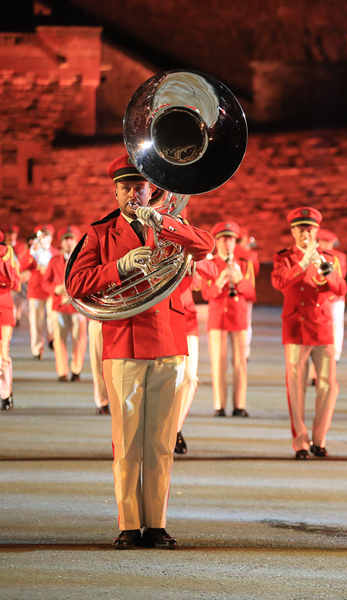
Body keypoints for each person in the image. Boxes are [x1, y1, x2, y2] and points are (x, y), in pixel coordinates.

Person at [66, 153, 214, 549]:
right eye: (126, 187)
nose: (133, 193)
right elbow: (77, 283)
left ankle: (157, 523)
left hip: (169, 339)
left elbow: (206, 246)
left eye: (140, 187)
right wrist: (120, 267)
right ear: (115, 191)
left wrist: (162, 221)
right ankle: (130, 524)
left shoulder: (168, 226)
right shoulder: (101, 233)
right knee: (128, 439)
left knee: (162, 440)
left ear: (152, 189)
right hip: (124, 342)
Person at [271, 207, 347, 459]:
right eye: (301, 230)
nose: (306, 234)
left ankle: (319, 437)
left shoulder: (328, 257)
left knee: (328, 386)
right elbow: (280, 283)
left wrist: (329, 272)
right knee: (296, 387)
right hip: (296, 326)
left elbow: (341, 289)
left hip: (322, 326)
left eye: (310, 230)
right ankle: (301, 442)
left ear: (317, 232)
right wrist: (302, 264)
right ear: (293, 232)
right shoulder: (284, 258)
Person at [201, 221, 256, 418]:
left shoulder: (244, 264)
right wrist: (221, 279)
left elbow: (251, 293)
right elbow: (206, 293)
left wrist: (240, 280)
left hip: (239, 316)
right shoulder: (211, 263)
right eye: (224, 240)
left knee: (240, 362)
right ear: (217, 241)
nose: (228, 244)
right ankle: (220, 405)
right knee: (219, 362)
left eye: (231, 239)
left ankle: (239, 405)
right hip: (218, 318)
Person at [46, 226, 87, 383]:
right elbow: (45, 282)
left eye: (71, 239)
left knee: (79, 339)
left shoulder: (83, 259)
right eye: (65, 239)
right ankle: (62, 371)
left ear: (77, 241)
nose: (69, 242)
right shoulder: (54, 261)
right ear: (61, 242)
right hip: (59, 305)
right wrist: (54, 289)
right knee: (59, 339)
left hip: (78, 305)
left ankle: (76, 369)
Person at [174, 268, 201, 454]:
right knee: (169, 380)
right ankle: (166, 430)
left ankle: (174, 428)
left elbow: (212, 270)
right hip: (164, 318)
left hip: (188, 320)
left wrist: (193, 257)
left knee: (190, 378)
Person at [22, 224, 58, 360]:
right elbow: (23, 265)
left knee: (53, 318)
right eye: (41, 235)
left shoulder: (54, 252)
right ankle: (37, 349)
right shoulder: (32, 251)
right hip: (36, 289)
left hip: (51, 290)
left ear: (51, 237)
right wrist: (30, 251)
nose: (44, 237)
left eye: (46, 235)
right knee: (36, 320)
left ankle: (52, 339)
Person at [317, 229, 347, 362]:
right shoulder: (339, 256)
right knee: (336, 326)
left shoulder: (315, 255)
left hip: (320, 295)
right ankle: (334, 356)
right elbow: (342, 276)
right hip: (335, 297)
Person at [0, 233, 21, 410]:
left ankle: (6, 393)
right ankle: (6, 394)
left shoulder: (6, 254)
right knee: (3, 353)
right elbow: (16, 285)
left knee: (2, 352)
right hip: (4, 306)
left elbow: (15, 284)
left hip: (3, 309)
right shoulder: (8, 254)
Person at [234, 228, 260, 359]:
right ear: (243, 239)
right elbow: (255, 271)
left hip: (229, 292)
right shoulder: (251, 254)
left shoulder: (229, 251)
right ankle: (245, 353)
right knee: (245, 324)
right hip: (245, 291)